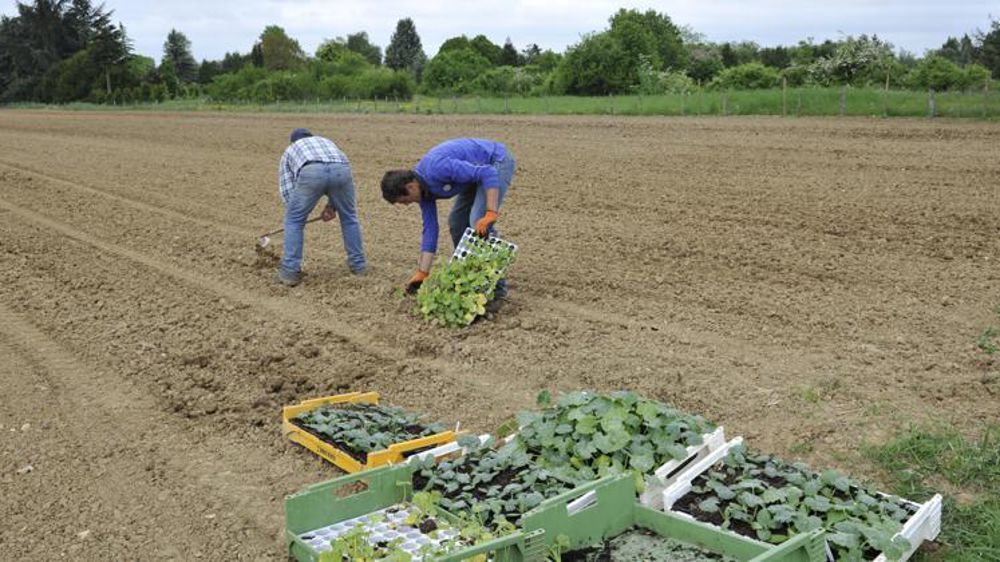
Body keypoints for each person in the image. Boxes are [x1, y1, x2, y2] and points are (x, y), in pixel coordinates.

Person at [380, 138, 515, 303]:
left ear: (410, 187)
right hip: (475, 173)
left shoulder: (437, 169)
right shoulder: (424, 192)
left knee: (478, 222)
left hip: (495, 162)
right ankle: (472, 274)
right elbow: (430, 230)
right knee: (456, 222)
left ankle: (497, 290)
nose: (407, 205)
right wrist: (423, 272)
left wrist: (491, 212)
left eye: (404, 201)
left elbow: (487, 173)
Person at [275, 128, 366, 286]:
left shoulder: (291, 150)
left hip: (310, 171)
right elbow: (341, 166)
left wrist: (296, 214)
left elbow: (287, 188)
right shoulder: (326, 142)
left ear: (293, 141)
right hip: (341, 170)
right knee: (349, 218)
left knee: (293, 221)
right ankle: (359, 266)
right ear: (311, 137)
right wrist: (333, 206)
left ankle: (289, 272)